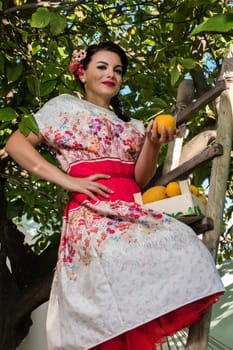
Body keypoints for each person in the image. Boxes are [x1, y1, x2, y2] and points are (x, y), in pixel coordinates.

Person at [5, 41, 224, 350]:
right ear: (81, 73)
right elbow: (15, 145)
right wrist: (67, 180)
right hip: (92, 208)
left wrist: (152, 141)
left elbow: (139, 177)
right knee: (112, 268)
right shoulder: (62, 107)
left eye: (118, 70)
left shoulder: (132, 124)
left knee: (182, 241)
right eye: (102, 67)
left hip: (132, 204)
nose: (111, 74)